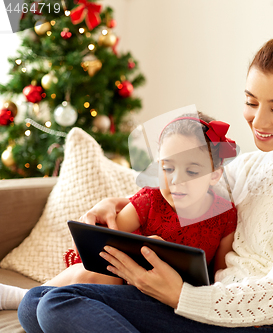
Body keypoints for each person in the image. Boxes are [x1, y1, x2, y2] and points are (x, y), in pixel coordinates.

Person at [18, 22, 273, 333]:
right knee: (33, 304)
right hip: (207, 303)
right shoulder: (252, 165)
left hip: (259, 323)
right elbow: (187, 189)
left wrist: (182, 295)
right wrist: (118, 202)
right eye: (250, 102)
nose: (258, 122)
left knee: (56, 304)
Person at [0, 112, 237, 311]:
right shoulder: (150, 199)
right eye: (168, 168)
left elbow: (219, 277)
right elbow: (105, 244)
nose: (176, 180)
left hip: (170, 299)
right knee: (100, 274)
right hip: (122, 283)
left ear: (214, 175)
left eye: (192, 172)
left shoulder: (225, 216)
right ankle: (27, 297)